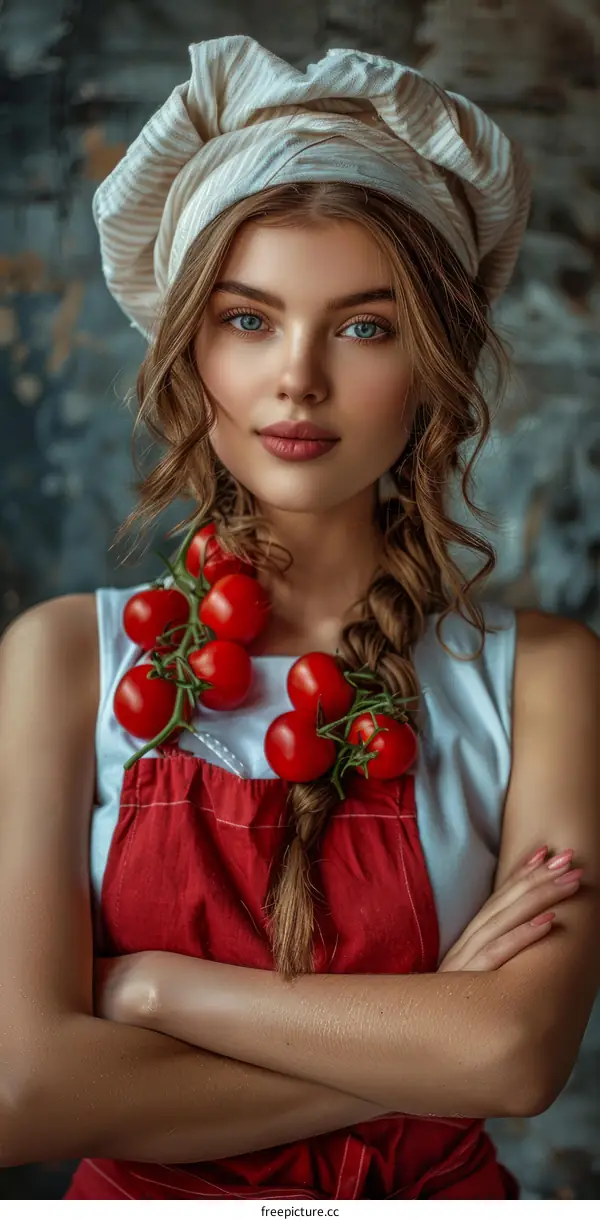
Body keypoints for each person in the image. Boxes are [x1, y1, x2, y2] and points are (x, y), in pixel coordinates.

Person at [0, 35, 598, 1201]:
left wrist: (154, 992)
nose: (298, 380)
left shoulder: (546, 677)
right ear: (189, 353)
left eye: (364, 327)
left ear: (434, 362)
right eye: (248, 319)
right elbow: (25, 1090)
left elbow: (520, 1055)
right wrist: (429, 1043)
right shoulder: (66, 657)